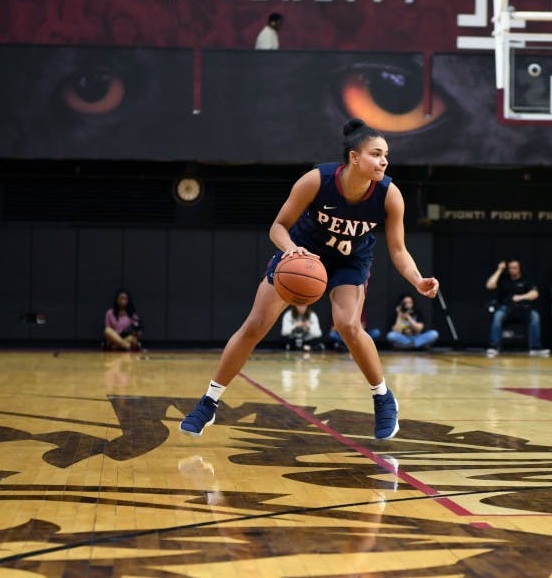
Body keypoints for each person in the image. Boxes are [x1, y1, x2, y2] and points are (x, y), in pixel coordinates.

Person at [180, 118, 439, 441]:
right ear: (354, 157)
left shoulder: (390, 195)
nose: (384, 161)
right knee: (255, 324)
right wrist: (291, 250)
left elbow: (398, 250)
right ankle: (209, 402)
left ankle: (383, 398)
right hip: (302, 254)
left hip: (350, 260)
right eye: (376, 154)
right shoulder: (316, 180)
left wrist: (417, 280)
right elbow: (278, 227)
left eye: (386, 155)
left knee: (348, 325)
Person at [484, 259, 549, 357]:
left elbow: (535, 294)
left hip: (523, 309)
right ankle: (494, 347)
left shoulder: (526, 279)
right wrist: (499, 270)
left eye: (515, 268)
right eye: (510, 268)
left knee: (535, 316)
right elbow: (489, 285)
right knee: (497, 316)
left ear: (519, 268)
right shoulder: (503, 279)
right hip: (506, 308)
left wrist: (520, 297)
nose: (512, 270)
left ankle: (535, 348)